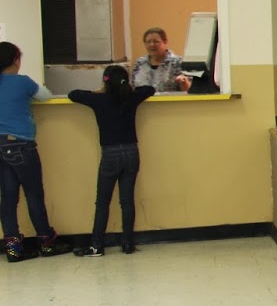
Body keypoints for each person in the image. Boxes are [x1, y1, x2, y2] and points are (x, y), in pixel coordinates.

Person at [67, 65, 155, 256]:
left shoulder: (98, 99)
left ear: (105, 81)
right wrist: (131, 89)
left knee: (102, 202)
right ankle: (127, 244)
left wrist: (98, 91)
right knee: (127, 201)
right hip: (132, 152)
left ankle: (97, 245)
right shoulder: (131, 97)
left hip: (110, 154)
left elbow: (73, 94)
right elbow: (150, 89)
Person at [1, 41, 71, 263]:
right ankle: (47, 242)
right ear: (16, 60)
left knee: (8, 198)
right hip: (21, 145)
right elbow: (46, 96)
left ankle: (13, 249)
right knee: (33, 194)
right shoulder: (22, 82)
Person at [132, 27, 191, 93]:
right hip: (144, 103)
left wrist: (183, 82)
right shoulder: (140, 63)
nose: (152, 45)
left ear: (165, 41)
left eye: (156, 41)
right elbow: (133, 87)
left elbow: (189, 91)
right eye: (148, 42)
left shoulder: (178, 62)